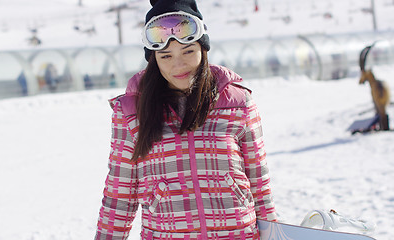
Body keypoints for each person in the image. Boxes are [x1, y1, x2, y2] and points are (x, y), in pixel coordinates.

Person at [95, 0, 277, 239]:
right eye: (166, 56)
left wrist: (274, 234)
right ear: (154, 60)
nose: (178, 65)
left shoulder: (237, 102)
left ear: (203, 49)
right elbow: (120, 194)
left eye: (188, 51)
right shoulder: (131, 111)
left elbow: (259, 182)